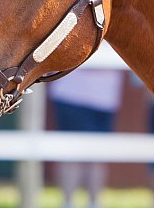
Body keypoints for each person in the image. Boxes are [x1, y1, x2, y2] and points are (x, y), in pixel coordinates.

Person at [48, 66, 124, 208]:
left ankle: (92, 202)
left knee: (97, 156)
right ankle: (69, 202)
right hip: (72, 94)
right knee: (71, 155)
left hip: (104, 98)